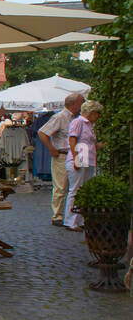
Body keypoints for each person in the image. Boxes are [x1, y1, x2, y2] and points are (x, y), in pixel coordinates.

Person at [38, 93, 83, 226]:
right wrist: (51, 148)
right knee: (61, 187)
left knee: (75, 187)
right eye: (81, 102)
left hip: (75, 155)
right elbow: (42, 132)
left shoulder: (78, 118)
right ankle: (57, 215)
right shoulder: (59, 117)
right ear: (73, 104)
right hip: (62, 155)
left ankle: (73, 215)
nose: (82, 105)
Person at [63, 100, 104, 231]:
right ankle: (70, 221)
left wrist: (99, 146)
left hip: (87, 160)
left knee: (83, 191)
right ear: (91, 112)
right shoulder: (79, 122)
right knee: (75, 191)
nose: (98, 116)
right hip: (80, 160)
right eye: (97, 113)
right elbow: (72, 139)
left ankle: (79, 220)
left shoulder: (89, 125)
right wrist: (76, 158)